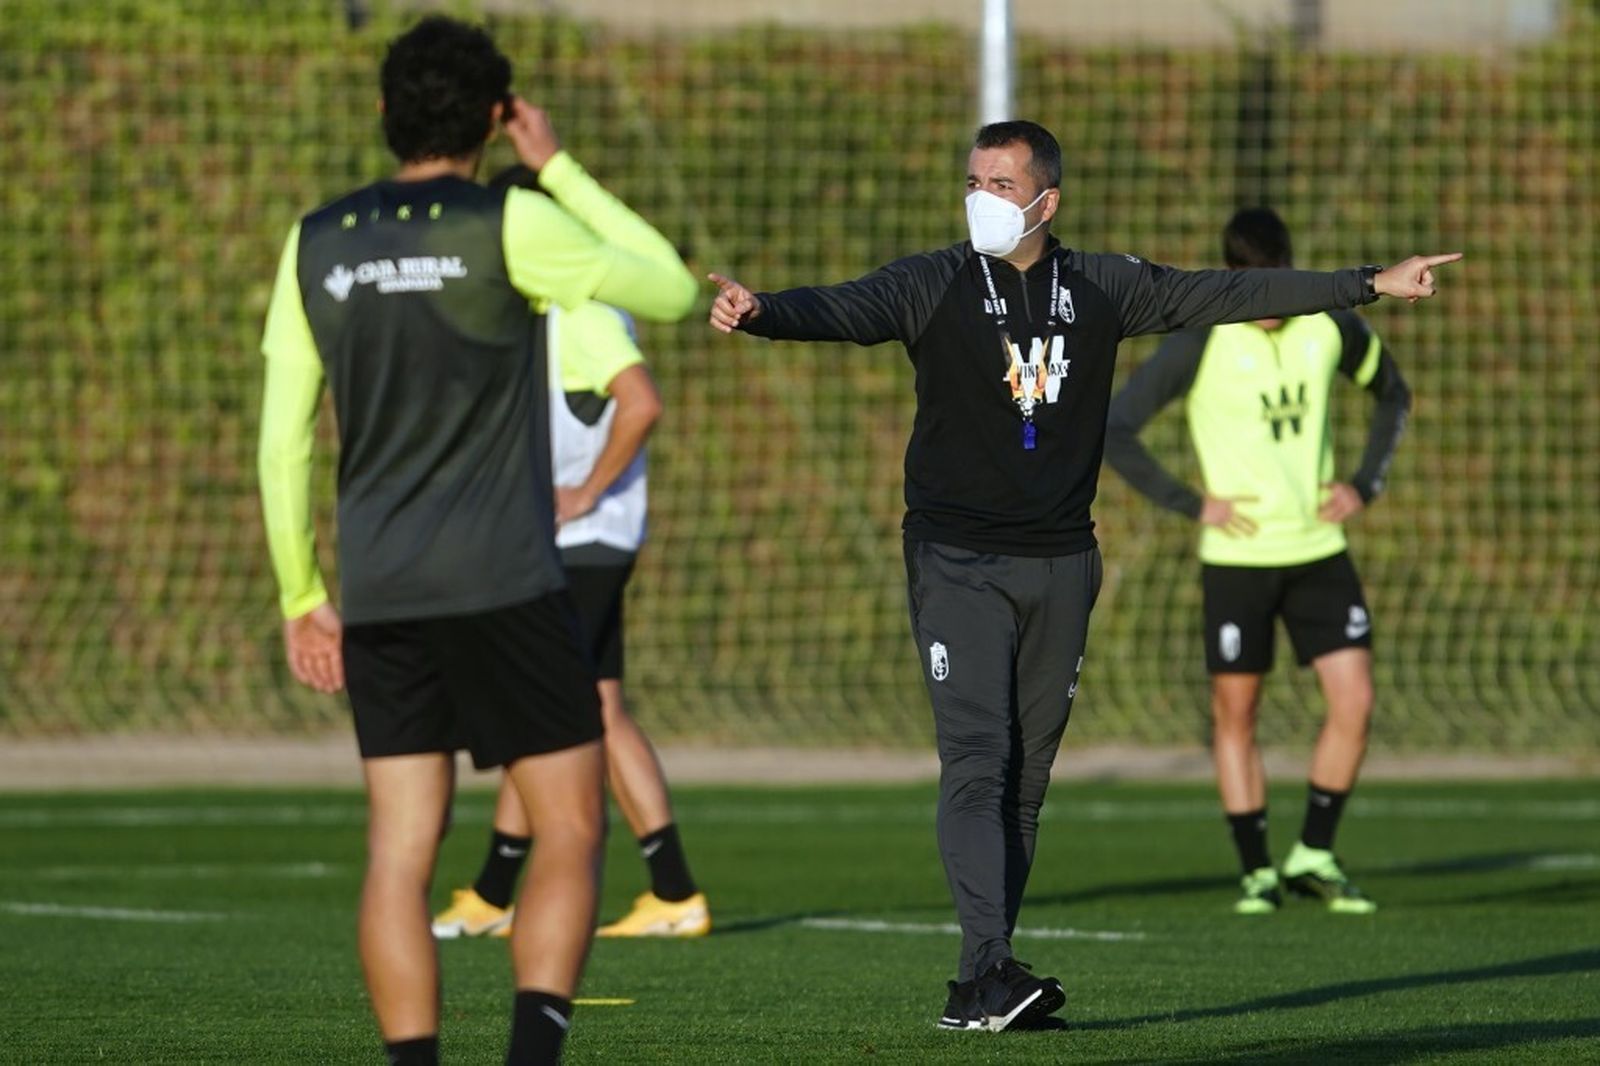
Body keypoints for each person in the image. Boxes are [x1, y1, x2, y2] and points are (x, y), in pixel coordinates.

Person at [706, 120, 1457, 1032]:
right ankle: (990, 968)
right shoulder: (934, 282)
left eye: (1001, 184)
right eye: (973, 180)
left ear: (1046, 201)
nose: (982, 197)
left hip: (1063, 561)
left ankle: (978, 986)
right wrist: (764, 311)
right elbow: (844, 307)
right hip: (957, 560)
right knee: (978, 761)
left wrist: (1368, 282)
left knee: (1027, 780)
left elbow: (1227, 290)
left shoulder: (1100, 286)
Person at [256, 16, 696, 1065]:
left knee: (398, 853)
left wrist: (299, 593)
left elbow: (281, 440)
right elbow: (673, 289)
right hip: (504, 577)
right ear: (498, 119)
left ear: (383, 113)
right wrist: (558, 169)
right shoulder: (509, 221)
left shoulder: (316, 239)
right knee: (573, 828)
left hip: (383, 584)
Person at [1105, 207, 1409, 916]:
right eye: (1251, 286)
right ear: (1231, 279)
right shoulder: (1199, 342)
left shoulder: (1331, 325)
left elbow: (1393, 393)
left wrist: (1365, 484)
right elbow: (1117, 428)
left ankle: (1315, 854)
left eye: (1276, 285)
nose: (1267, 303)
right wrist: (1190, 502)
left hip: (1318, 551)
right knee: (1236, 711)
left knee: (1355, 700)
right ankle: (1256, 872)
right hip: (1237, 559)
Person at [432, 168, 710, 942]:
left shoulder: (579, 314)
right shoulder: (531, 314)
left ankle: (500, 892)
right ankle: (668, 890)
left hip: (585, 544)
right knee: (598, 706)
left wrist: (585, 492)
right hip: (573, 543)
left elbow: (642, 401)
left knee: (536, 707)